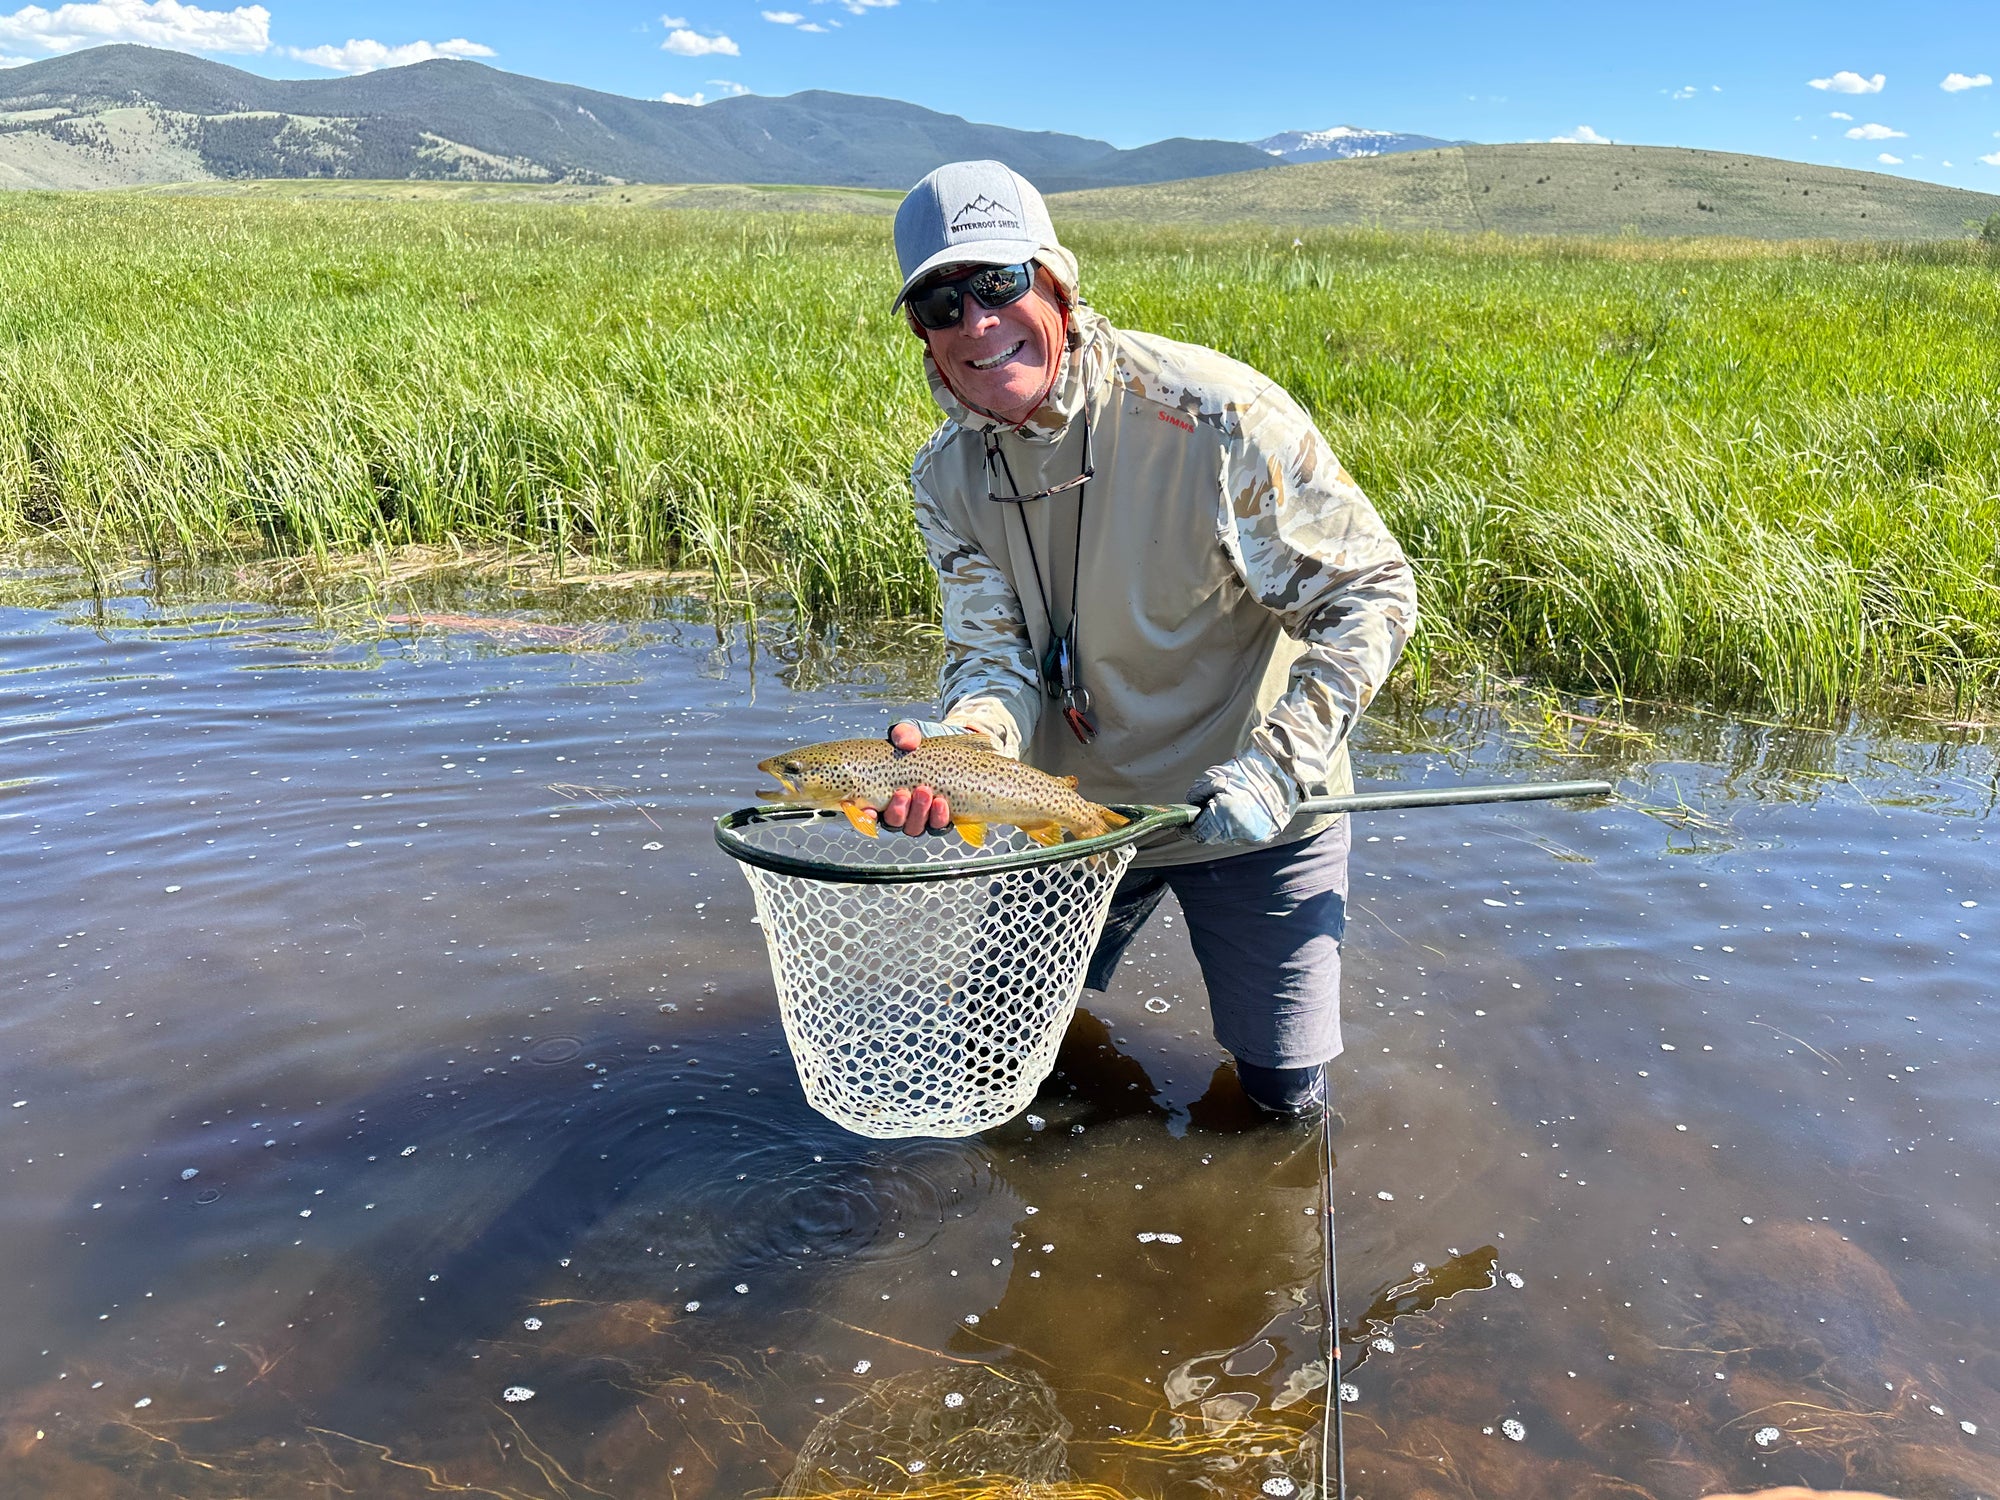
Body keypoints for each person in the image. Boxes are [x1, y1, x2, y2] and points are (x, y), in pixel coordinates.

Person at [878, 160, 1416, 1120]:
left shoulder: (1213, 416)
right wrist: (966, 751)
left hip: (1254, 808)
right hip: (1056, 815)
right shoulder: (945, 476)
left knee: (1281, 1102)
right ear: (921, 331)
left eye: (998, 283)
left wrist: (1278, 769)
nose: (975, 322)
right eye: (940, 302)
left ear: (1057, 281)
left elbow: (1370, 594)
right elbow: (993, 656)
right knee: (1001, 1071)